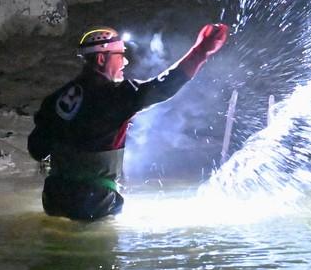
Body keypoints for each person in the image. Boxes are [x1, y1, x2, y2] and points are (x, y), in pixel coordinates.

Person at [28, 23, 229, 221]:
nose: (124, 63)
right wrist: (201, 51)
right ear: (101, 58)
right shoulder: (116, 95)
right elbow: (164, 85)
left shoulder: (55, 99)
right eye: (120, 56)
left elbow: (36, 149)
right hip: (93, 203)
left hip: (54, 199)